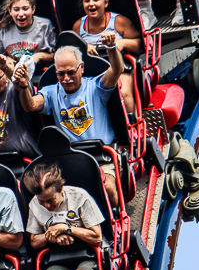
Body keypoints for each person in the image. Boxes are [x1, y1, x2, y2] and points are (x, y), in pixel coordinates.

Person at [12, 40, 123, 207]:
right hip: (70, 159)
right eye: (60, 73)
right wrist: (23, 86)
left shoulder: (95, 86)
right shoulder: (51, 92)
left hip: (101, 156)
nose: (66, 79)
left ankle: (114, 217)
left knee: (108, 188)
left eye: (71, 72)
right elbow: (31, 105)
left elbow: (117, 70)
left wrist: (112, 48)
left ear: (82, 67)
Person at [24, 163, 104, 270]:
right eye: (42, 201)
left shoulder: (79, 197)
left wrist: (66, 228)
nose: (47, 206)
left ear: (60, 190)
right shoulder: (34, 205)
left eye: (50, 200)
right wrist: (52, 235)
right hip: (57, 258)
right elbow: (34, 241)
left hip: (86, 255)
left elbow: (97, 237)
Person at [72, 0, 142, 113]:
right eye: (87, 1)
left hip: (120, 67)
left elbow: (139, 45)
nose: (91, 4)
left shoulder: (119, 21)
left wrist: (121, 43)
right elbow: (70, 49)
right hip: (90, 70)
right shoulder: (78, 26)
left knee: (124, 92)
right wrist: (84, 47)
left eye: (96, 0)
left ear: (105, 3)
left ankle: (132, 124)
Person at [0, 0, 56, 78]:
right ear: (10, 11)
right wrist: (8, 60)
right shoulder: (4, 31)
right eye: (16, 10)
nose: (21, 14)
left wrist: (39, 56)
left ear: (33, 9)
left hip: (40, 75)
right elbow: (2, 56)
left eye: (25, 9)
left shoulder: (45, 25)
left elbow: (56, 55)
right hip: (14, 75)